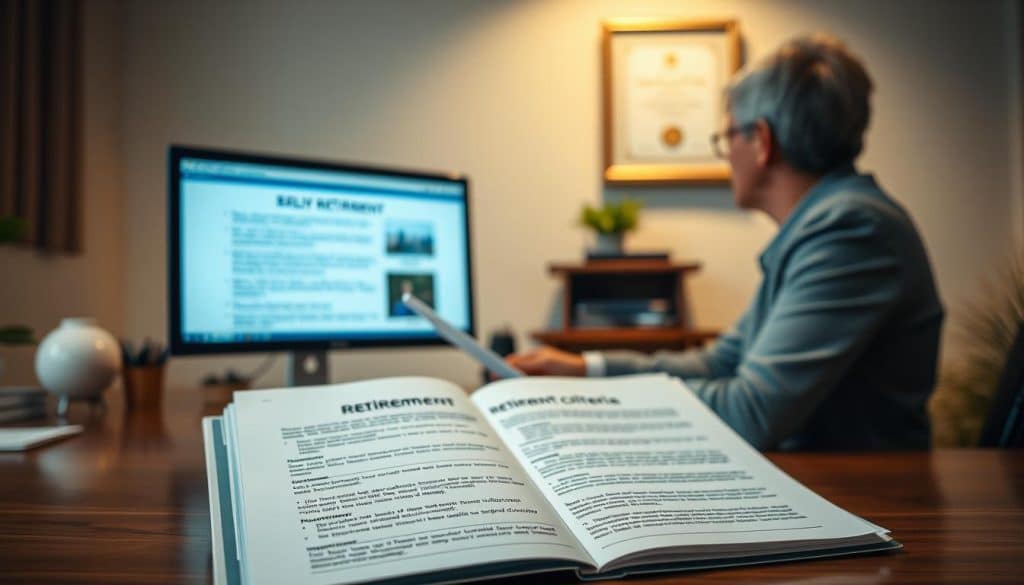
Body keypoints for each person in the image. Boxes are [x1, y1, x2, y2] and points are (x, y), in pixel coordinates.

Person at [507, 35, 944, 451]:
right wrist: (585, 369)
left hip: (870, 501)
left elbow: (751, 412)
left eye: (728, 136)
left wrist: (591, 411)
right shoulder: (825, 224)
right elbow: (718, 364)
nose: (726, 153)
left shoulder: (849, 231)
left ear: (761, 142)